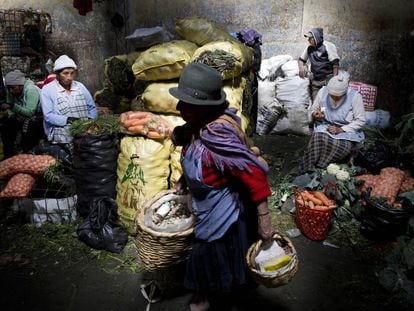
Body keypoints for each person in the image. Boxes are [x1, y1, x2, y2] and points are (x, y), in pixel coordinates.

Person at [169, 62, 275, 311]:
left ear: (203, 107)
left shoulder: (218, 135)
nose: (178, 108)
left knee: (212, 251)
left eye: (186, 104)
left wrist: (265, 220)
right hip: (205, 205)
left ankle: (215, 296)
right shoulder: (198, 128)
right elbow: (197, 161)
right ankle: (213, 292)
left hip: (223, 212)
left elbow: (254, 175)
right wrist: (184, 181)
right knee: (211, 252)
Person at [298, 72, 366, 174]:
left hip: (346, 131)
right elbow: (314, 109)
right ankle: (305, 169)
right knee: (318, 139)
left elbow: (360, 121)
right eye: (332, 95)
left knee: (345, 148)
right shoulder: (323, 91)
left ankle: (321, 166)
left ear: (344, 93)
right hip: (326, 126)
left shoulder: (355, 97)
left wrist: (341, 129)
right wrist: (315, 114)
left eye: (337, 97)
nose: (334, 98)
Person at [40, 55, 97, 148]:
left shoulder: (80, 87)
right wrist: (67, 120)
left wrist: (90, 122)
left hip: (84, 131)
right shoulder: (48, 90)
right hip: (61, 133)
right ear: (57, 74)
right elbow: (48, 116)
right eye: (65, 73)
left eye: (72, 73)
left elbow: (92, 107)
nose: (69, 77)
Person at [0, 69, 44, 159]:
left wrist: (12, 107)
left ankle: (28, 153)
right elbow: (11, 110)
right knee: (6, 124)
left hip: (38, 117)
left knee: (28, 124)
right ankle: (8, 154)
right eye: (8, 88)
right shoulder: (10, 92)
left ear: (20, 85)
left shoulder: (31, 90)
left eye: (13, 88)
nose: (10, 91)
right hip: (22, 115)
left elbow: (30, 112)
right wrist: (9, 113)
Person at [298, 27, 340, 102]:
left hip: (327, 81)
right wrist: (301, 68)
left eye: (310, 38)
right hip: (315, 82)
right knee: (316, 104)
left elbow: (335, 63)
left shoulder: (327, 46)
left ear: (316, 37)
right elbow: (301, 59)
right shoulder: (309, 48)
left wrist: (334, 80)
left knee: (328, 104)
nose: (308, 40)